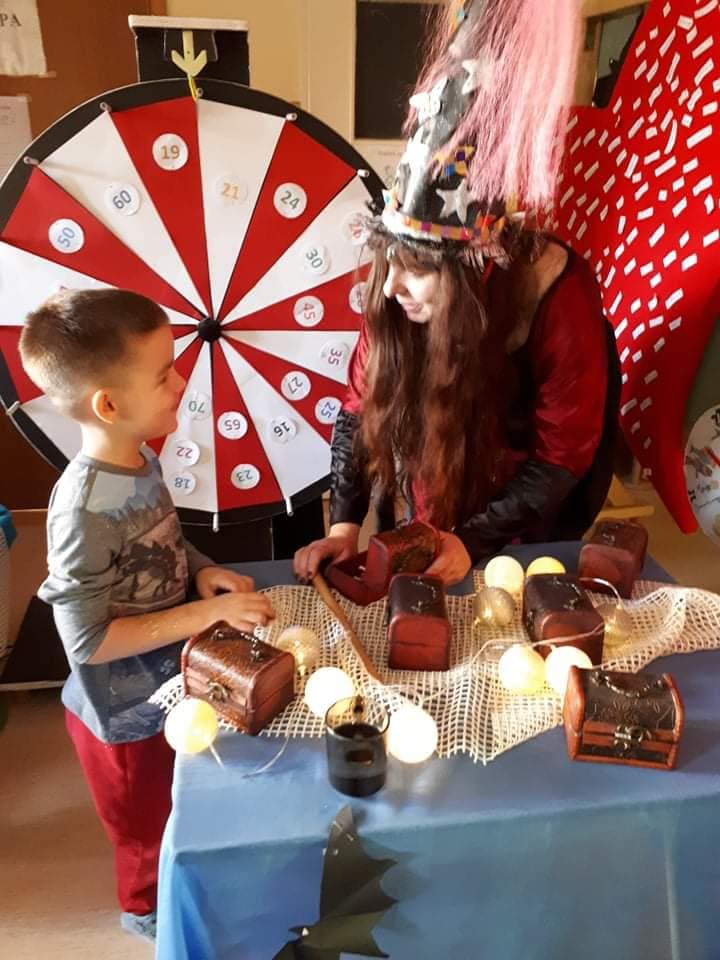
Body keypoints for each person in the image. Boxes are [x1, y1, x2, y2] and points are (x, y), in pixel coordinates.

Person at [294, 0, 620, 586]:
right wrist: (343, 525)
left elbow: (562, 453)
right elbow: (359, 409)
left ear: (474, 268)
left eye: (417, 268)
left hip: (524, 521)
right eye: (389, 262)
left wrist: (470, 541)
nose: (391, 287)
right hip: (432, 491)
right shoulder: (396, 293)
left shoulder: (556, 292)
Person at [19, 289, 275, 943]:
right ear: (108, 404)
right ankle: (148, 912)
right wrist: (202, 614)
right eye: (164, 374)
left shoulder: (142, 455)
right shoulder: (81, 509)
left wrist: (201, 569)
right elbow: (87, 640)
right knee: (144, 828)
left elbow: (161, 537)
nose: (181, 381)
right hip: (119, 714)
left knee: (185, 795)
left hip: (166, 682)